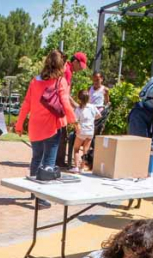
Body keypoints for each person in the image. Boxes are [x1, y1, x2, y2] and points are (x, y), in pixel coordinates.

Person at [15, 49, 78, 178]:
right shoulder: (60, 81)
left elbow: (26, 104)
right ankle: (42, 197)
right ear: (61, 64)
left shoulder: (35, 81)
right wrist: (74, 122)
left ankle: (34, 192)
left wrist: (19, 124)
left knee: (36, 159)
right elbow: (65, 103)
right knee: (48, 162)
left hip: (35, 127)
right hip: (52, 128)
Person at [71, 90, 100, 173]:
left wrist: (77, 128)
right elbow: (99, 115)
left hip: (82, 130)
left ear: (79, 98)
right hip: (90, 130)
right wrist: (91, 119)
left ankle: (76, 167)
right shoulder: (92, 107)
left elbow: (75, 120)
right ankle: (82, 168)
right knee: (85, 150)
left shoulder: (78, 109)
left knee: (76, 148)